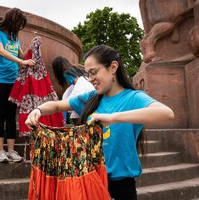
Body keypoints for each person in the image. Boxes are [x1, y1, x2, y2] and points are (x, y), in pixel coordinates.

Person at [26, 45, 174, 199]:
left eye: (94, 72)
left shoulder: (133, 98)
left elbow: (167, 113)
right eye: (88, 74)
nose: (91, 79)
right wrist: (38, 110)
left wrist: (112, 118)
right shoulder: (91, 98)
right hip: (89, 181)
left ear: (113, 67)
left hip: (120, 186)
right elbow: (57, 105)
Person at [0, 8, 35, 163]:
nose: (20, 27)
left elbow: (21, 55)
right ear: (13, 20)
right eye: (20, 24)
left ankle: (11, 150)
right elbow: (1, 51)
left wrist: (32, 46)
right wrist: (21, 62)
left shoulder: (14, 37)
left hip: (12, 80)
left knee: (10, 116)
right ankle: (1, 151)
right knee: (0, 114)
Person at [52, 56, 94, 124]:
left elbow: (76, 81)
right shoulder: (77, 67)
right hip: (90, 87)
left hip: (81, 88)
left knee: (74, 111)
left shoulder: (67, 72)